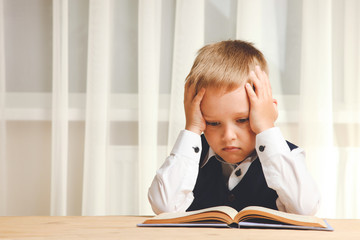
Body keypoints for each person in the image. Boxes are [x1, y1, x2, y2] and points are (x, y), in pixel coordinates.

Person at [148, 40, 320, 215]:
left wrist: (267, 127)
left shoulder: (286, 156)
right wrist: (191, 129)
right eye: (214, 123)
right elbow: (164, 207)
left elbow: (304, 209)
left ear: (266, 110)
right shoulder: (191, 158)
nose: (228, 136)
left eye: (242, 120)